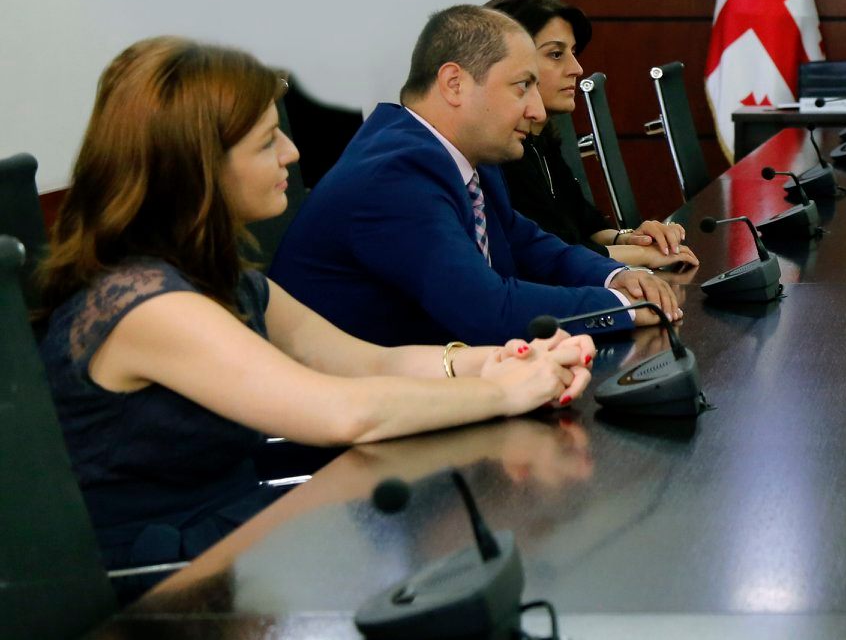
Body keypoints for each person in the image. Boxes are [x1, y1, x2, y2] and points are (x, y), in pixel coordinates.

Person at [34, 39, 593, 582]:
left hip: (236, 549)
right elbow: (341, 413)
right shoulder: (146, 305)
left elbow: (369, 363)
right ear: (197, 167)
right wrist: (504, 393)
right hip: (162, 587)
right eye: (266, 142)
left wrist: (505, 360)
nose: (292, 153)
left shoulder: (226, 281)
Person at [271, 5, 679, 347]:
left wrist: (618, 277)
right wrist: (622, 307)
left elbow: (529, 245)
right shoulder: (394, 175)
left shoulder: (464, 156)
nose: (537, 111)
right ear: (455, 84)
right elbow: (487, 312)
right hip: (353, 406)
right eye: (522, 86)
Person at [483, 0, 697, 272]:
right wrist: (642, 255)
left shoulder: (541, 138)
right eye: (556, 54)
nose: (577, 68)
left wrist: (633, 238)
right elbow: (548, 256)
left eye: (573, 53)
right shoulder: (498, 152)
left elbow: (584, 225)